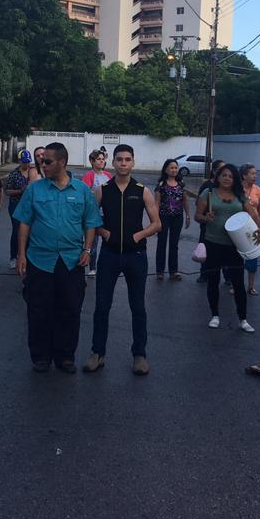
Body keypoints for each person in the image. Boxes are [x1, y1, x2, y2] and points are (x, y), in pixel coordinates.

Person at [14, 142, 102, 373]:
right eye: (41, 161)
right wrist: (21, 254)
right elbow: (24, 222)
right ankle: (41, 356)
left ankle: (65, 356)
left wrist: (88, 250)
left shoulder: (82, 190)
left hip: (71, 261)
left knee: (70, 309)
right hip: (39, 260)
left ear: (62, 162)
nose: (43, 165)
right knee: (39, 309)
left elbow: (91, 222)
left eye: (47, 161)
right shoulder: (35, 189)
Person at [85, 144, 160, 375]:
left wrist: (138, 235)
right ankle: (98, 353)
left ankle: (139, 355)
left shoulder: (142, 190)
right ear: (113, 163)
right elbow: (89, 219)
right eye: (119, 159)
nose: (123, 163)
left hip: (135, 256)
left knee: (137, 307)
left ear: (133, 162)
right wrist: (102, 232)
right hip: (108, 255)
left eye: (128, 159)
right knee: (101, 307)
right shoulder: (103, 190)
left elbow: (157, 224)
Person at [194, 163, 260, 333]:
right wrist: (205, 218)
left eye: (230, 176)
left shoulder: (240, 196)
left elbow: (253, 213)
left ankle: (243, 319)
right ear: (217, 177)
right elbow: (197, 215)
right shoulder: (208, 193)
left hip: (235, 245)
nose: (226, 178)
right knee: (213, 280)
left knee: (238, 283)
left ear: (235, 179)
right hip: (213, 242)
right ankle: (215, 315)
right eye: (223, 175)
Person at [153, 158, 189, 281]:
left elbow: (185, 200)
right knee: (161, 243)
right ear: (166, 170)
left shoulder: (181, 184)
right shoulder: (161, 185)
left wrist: (188, 215)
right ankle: (160, 271)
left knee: (174, 244)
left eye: (176, 167)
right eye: (171, 168)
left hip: (177, 217)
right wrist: (155, 219)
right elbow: (156, 203)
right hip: (163, 216)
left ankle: (173, 271)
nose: (174, 170)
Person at [80, 149, 112, 277]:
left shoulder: (108, 175)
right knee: (92, 242)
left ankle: (106, 266)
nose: (102, 161)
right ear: (92, 161)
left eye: (103, 159)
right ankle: (92, 267)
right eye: (99, 159)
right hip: (94, 213)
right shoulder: (89, 175)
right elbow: (83, 193)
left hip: (107, 213)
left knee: (108, 241)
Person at [4, 149, 37, 269]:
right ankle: (13, 257)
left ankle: (27, 256)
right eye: (24, 162)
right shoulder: (14, 174)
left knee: (29, 231)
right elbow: (7, 190)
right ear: (19, 161)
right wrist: (19, 191)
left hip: (30, 206)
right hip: (16, 204)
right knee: (17, 230)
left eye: (28, 162)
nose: (26, 164)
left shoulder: (33, 172)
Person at [195, 159, 225, 284]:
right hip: (207, 224)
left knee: (224, 250)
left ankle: (227, 276)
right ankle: (204, 274)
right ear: (214, 171)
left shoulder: (227, 187)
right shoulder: (207, 187)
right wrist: (206, 214)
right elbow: (198, 203)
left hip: (223, 225)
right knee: (205, 248)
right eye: (221, 170)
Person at [240, 164, 260, 296]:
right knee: (238, 257)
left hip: (254, 226)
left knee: (252, 256)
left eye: (256, 173)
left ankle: (250, 286)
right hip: (239, 227)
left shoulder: (257, 190)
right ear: (244, 175)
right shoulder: (237, 189)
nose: (255, 176)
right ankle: (236, 285)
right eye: (252, 173)